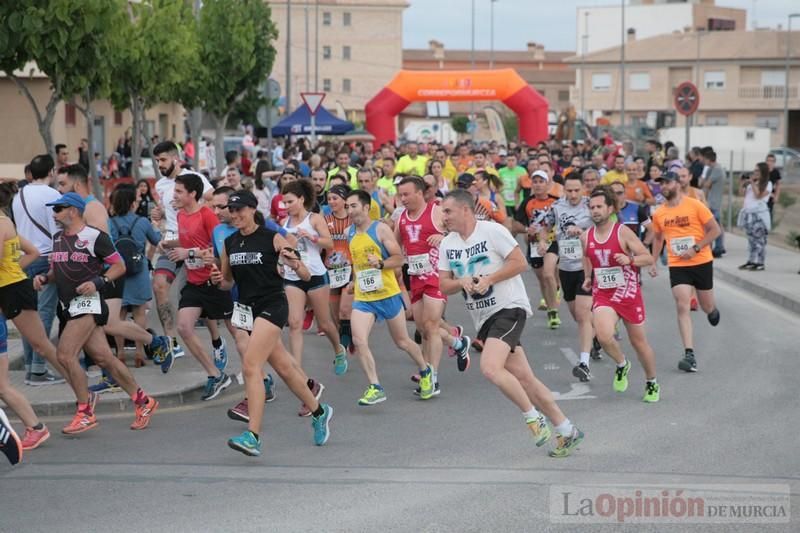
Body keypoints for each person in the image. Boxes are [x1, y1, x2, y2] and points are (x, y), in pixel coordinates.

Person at [439, 189, 584, 457]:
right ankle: (567, 430)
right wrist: (461, 282)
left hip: (508, 307)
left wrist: (489, 279)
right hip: (483, 317)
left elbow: (519, 263)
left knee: (490, 368)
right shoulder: (448, 243)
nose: (443, 216)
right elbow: (443, 284)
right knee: (525, 379)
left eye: (447, 211)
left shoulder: (492, 231)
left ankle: (533, 417)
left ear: (465, 210)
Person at [210, 191, 333, 456]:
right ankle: (320, 412)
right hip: (246, 309)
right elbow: (228, 283)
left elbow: (305, 272)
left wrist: (293, 263)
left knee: (251, 365)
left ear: (253, 209)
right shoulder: (229, 243)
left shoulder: (272, 237)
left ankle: (253, 436)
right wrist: (217, 279)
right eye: (231, 210)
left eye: (240, 209)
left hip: (272, 304)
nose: (235, 215)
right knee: (286, 369)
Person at [34, 193, 159, 433]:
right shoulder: (58, 238)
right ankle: (144, 402)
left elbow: (119, 265)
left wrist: (98, 282)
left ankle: (85, 411)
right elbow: (56, 270)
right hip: (68, 306)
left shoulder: (95, 237)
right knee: (104, 359)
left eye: (59, 209)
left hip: (89, 304)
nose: (54, 213)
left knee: (65, 354)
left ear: (73, 210)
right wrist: (43, 278)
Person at [55, 165, 172, 386]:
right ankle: (112, 378)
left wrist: (94, 275)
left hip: (104, 276)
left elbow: (101, 245)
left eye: (62, 184)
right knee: (99, 337)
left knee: (109, 325)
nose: (59, 189)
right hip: (90, 282)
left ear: (77, 184)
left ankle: (156, 342)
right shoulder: (80, 209)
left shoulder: (92, 207)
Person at [346, 190, 434, 405]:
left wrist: (381, 263)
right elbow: (356, 263)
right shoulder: (349, 233)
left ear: (366, 207)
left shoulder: (381, 229)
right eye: (347, 206)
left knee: (402, 342)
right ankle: (375, 386)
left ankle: (425, 370)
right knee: (359, 340)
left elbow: (399, 258)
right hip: (364, 298)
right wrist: (353, 280)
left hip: (388, 294)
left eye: (354, 206)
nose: (350, 210)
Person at [159, 173, 235, 399]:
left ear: (193, 194)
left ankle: (261, 377)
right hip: (193, 282)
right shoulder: (181, 215)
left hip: (214, 281)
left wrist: (188, 253)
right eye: (175, 191)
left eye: (179, 191)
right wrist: (169, 243)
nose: (175, 195)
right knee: (184, 327)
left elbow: (220, 251)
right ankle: (215, 374)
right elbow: (187, 240)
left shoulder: (207, 215)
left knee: (238, 334)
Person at [581, 187, 660, 402]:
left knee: (639, 342)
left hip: (628, 293)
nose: (595, 211)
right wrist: (588, 277)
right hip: (604, 294)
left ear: (610, 209)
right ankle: (622, 364)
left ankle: (651, 381)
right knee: (604, 334)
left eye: (599, 207)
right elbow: (587, 257)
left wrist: (631, 260)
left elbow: (648, 257)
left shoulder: (622, 232)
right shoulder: (586, 236)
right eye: (592, 207)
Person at [395, 177, 470, 393]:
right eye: (401, 195)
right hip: (415, 276)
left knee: (431, 325)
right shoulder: (401, 217)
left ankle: (433, 379)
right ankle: (458, 343)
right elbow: (395, 245)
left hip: (437, 275)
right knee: (425, 330)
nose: (403, 199)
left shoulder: (436, 211)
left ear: (419, 193)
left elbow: (460, 232)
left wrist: (443, 236)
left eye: (406, 194)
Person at [281, 180, 346, 413]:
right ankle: (300, 376)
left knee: (325, 323)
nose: (287, 206)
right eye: (284, 202)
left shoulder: (315, 218)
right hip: (293, 275)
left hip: (317, 274)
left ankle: (338, 349)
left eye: (290, 201)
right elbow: (282, 249)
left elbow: (330, 243)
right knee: (295, 324)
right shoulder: (284, 223)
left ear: (301, 199)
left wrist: (311, 236)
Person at [649, 171, 722, 373]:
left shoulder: (695, 205)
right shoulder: (660, 213)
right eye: (660, 184)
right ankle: (689, 354)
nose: (663, 186)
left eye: (667, 182)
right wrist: (653, 262)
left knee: (706, 305)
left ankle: (712, 310)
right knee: (682, 304)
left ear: (678, 184)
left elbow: (715, 230)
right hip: (678, 264)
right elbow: (657, 238)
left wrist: (696, 248)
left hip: (701, 261)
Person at [150, 141, 215, 360]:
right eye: (157, 160)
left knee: (206, 294)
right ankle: (172, 341)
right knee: (159, 285)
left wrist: (189, 207)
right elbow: (164, 210)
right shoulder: (160, 185)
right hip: (171, 241)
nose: (160, 164)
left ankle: (216, 339)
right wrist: (158, 215)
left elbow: (212, 202)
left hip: (195, 241)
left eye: (163, 160)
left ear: (175, 159)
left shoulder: (193, 177)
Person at [11, 154, 64, 386]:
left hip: (23, 259)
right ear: (51, 171)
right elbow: (58, 230)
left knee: (26, 315)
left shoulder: (19, 195)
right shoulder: (53, 195)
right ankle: (39, 370)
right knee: (44, 313)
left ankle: (31, 368)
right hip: (45, 258)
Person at [544, 175, 595, 381]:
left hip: (587, 265)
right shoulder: (556, 207)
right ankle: (597, 336)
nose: (573, 194)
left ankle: (584, 362)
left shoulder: (592, 206)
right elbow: (545, 228)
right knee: (577, 315)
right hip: (566, 266)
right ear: (564, 189)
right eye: (569, 190)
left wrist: (582, 231)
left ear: (583, 188)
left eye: (577, 190)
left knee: (583, 315)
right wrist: (541, 240)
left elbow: (603, 229)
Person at [109, 186, 162, 367]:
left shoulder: (109, 223)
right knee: (139, 312)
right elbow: (157, 240)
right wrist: (157, 227)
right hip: (138, 271)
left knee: (119, 316)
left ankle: (121, 353)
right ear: (133, 204)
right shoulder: (142, 222)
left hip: (117, 273)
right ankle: (139, 353)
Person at [513, 170, 561, 328]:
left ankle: (553, 311)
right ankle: (549, 302)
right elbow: (516, 224)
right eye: (535, 182)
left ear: (547, 184)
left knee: (549, 274)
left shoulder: (557, 202)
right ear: (532, 185)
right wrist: (527, 230)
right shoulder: (527, 203)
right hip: (534, 244)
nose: (538, 185)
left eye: (541, 181)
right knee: (542, 278)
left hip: (552, 241)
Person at [323, 185, 355, 365]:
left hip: (350, 269)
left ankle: (342, 348)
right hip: (331, 271)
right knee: (335, 317)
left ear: (344, 200)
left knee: (344, 310)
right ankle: (346, 336)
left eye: (335, 198)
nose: (331, 202)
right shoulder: (325, 220)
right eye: (329, 199)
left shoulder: (353, 220)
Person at [737, 163, 772, 271]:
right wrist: (742, 183)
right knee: (751, 241)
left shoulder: (768, 184)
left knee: (759, 241)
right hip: (749, 215)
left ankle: (760, 262)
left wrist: (752, 182)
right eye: (754, 170)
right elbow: (741, 194)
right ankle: (752, 261)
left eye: (757, 171)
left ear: (763, 172)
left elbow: (758, 195)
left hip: (759, 216)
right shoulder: (752, 184)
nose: (755, 173)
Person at [699, 148, 726, 257]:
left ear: (709, 160)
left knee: (713, 227)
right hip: (711, 202)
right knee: (715, 226)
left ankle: (718, 248)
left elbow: (706, 184)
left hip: (713, 203)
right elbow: (702, 184)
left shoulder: (717, 169)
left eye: (705, 160)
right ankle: (718, 247)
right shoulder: (713, 169)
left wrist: (705, 173)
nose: (703, 162)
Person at [764, 153, 782, 219]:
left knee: (769, 215)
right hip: (760, 196)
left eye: (772, 161)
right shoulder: (762, 170)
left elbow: (778, 184)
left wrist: (776, 196)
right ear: (765, 161)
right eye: (768, 160)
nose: (770, 162)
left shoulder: (776, 172)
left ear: (774, 162)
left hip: (770, 197)